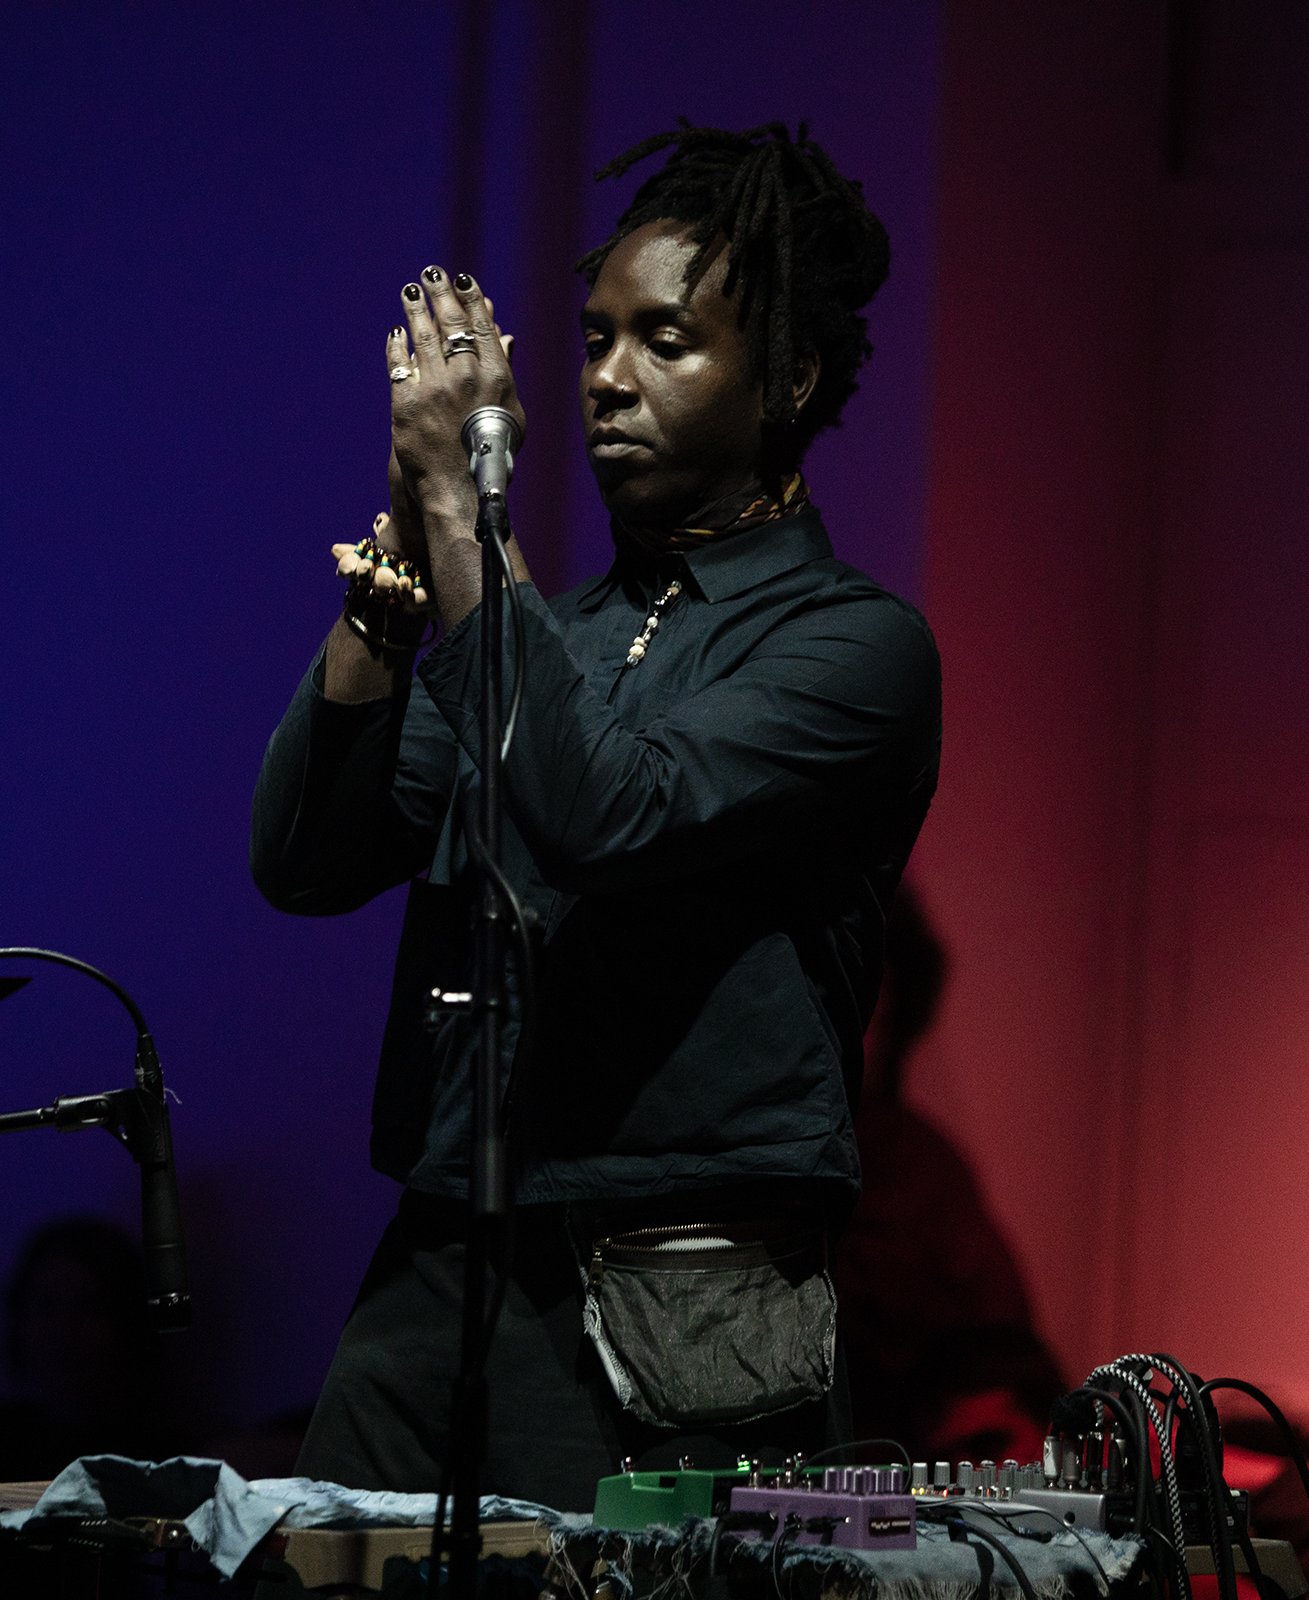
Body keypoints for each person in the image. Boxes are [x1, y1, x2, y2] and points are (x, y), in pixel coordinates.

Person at [250, 122, 940, 1513]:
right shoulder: (543, 631)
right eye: (593, 338)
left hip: (683, 1300)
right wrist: (401, 559)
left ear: (788, 380)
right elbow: (307, 861)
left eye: (666, 341)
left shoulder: (854, 648)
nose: (607, 380)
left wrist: (468, 513)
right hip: (444, 1261)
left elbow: (601, 811)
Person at [833, 885, 1065, 1467]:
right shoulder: (886, 1155)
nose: (863, 1019)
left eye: (875, 996)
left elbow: (993, 1355)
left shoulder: (912, 1163)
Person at [0, 1217, 175, 1482]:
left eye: (88, 1307)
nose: (64, 1330)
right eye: (46, 1306)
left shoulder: (170, 1464)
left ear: (129, 1320)